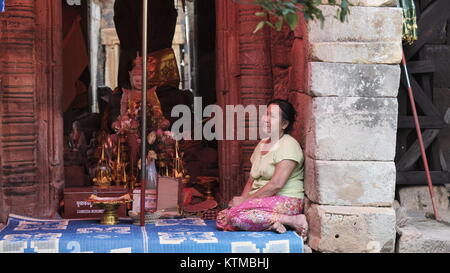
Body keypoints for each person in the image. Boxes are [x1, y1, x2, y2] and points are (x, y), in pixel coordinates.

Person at [216, 99, 308, 238]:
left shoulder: (289, 145)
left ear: (284, 124)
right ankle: (274, 223)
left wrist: (245, 202)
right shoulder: (262, 144)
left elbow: (276, 185)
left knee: (234, 217)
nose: (266, 119)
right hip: (261, 201)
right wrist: (242, 198)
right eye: (266, 114)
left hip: (286, 200)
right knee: (222, 217)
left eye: (272, 116)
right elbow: (251, 180)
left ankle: (292, 220)